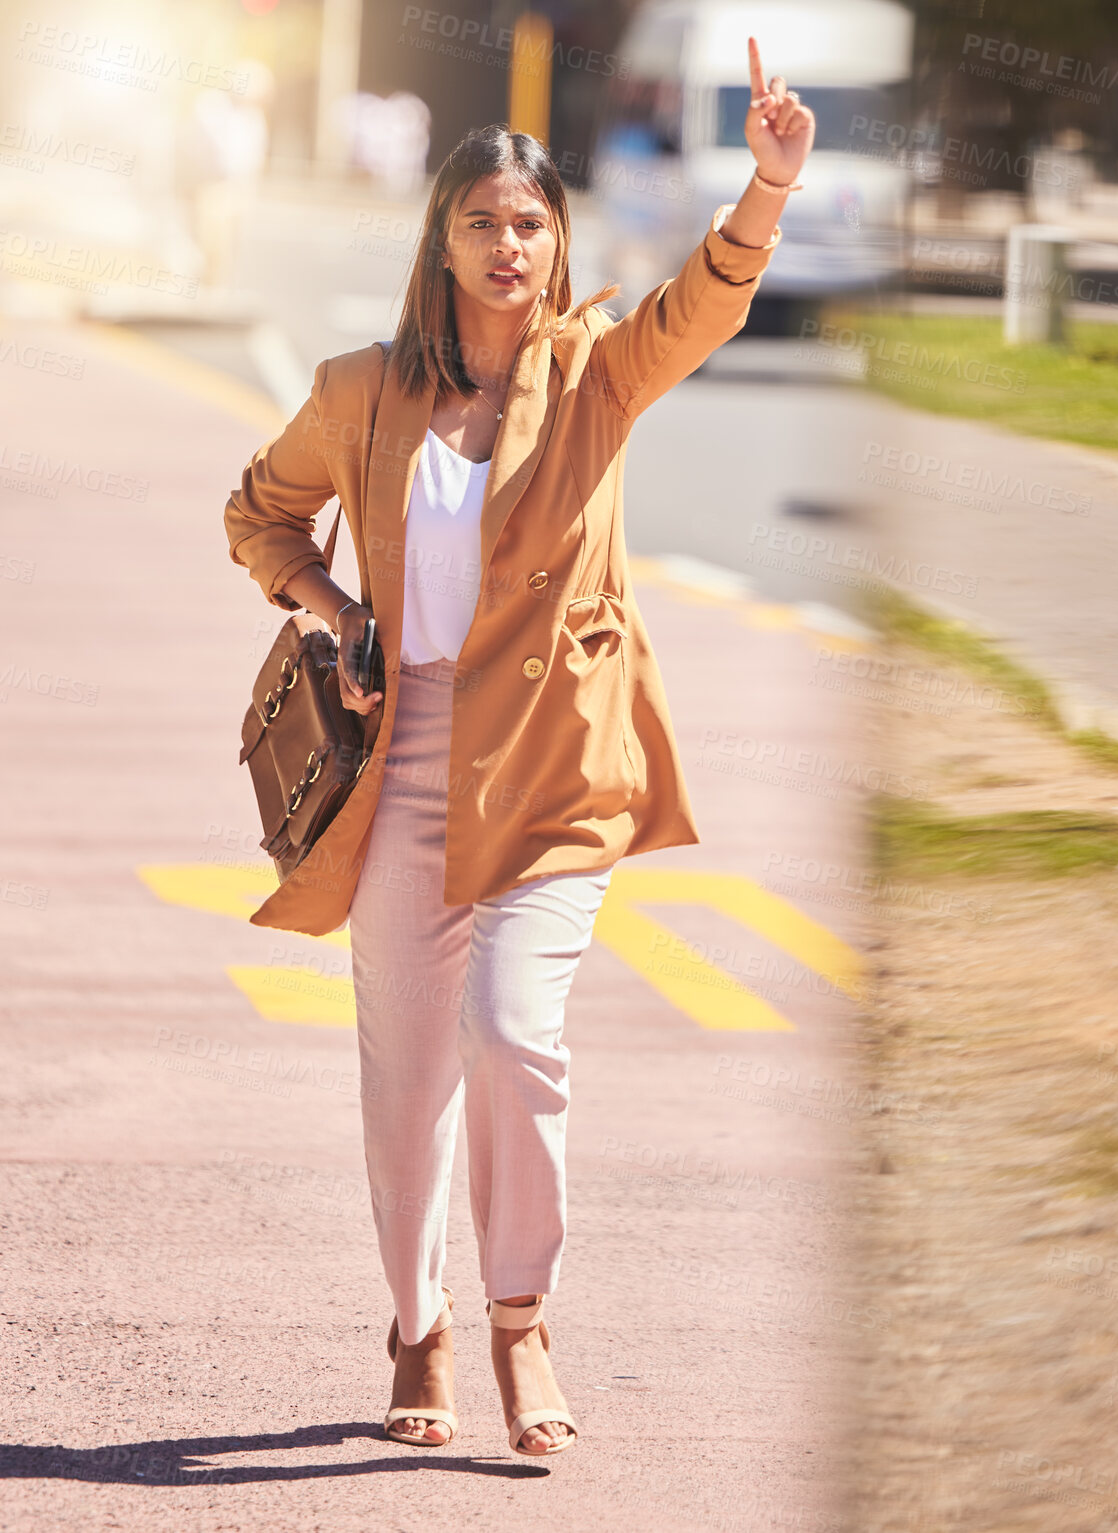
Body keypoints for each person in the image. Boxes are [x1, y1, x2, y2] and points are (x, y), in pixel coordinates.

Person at [222, 37, 813, 1459]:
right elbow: (259, 514)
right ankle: (414, 1317)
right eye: (482, 221)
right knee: (405, 1071)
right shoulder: (363, 389)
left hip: (551, 767)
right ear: (441, 240)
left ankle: (519, 1315)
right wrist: (333, 605)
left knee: (510, 1028)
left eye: (531, 223)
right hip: (398, 764)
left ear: (558, 246)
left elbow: (703, 304)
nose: (508, 243)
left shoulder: (599, 376)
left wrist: (767, 187)